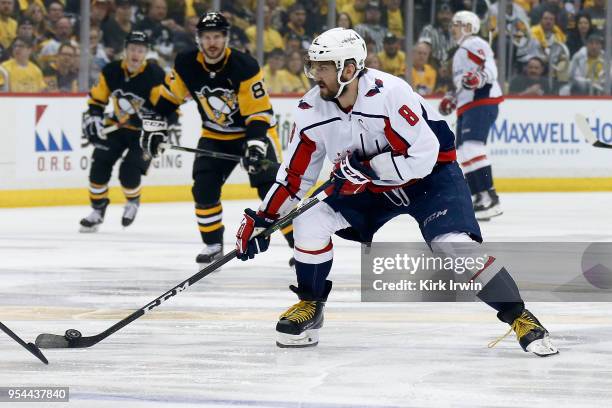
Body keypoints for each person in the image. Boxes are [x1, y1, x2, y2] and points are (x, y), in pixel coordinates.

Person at [233, 27, 558, 357]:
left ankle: (519, 316)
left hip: (430, 179)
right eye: (313, 66)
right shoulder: (311, 110)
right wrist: (265, 218)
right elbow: (294, 178)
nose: (315, 75)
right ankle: (309, 304)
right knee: (309, 221)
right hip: (371, 186)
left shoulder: (390, 93)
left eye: (323, 67)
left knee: (454, 248)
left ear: (348, 68)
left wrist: (369, 169)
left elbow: (423, 156)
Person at [140, 12, 294, 267]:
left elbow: (258, 113)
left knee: (270, 188)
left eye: (217, 37)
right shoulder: (187, 63)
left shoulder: (244, 65)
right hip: (215, 135)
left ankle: (298, 245)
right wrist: (154, 125)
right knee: (203, 186)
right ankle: (212, 243)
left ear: (226, 38)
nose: (212, 42)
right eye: (207, 37)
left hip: (254, 132)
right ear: (199, 39)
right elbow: (169, 98)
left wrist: (255, 145)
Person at [79, 31, 176, 232]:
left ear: (146, 53)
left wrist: (154, 125)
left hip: (145, 132)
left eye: (140, 50)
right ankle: (97, 210)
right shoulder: (112, 70)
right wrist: (95, 116)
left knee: (129, 171)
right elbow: (97, 100)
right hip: (118, 127)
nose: (135, 54)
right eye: (132, 49)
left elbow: (169, 110)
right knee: (99, 166)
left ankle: (132, 201)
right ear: (125, 50)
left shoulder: (156, 75)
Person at [438, 11, 503, 221]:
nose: (452, 28)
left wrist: (480, 77)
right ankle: (480, 197)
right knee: (463, 151)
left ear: (468, 26)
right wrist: (453, 98)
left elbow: (490, 68)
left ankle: (491, 198)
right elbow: (464, 84)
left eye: (456, 24)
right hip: (468, 105)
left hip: (482, 101)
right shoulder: (460, 51)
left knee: (473, 147)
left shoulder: (474, 43)